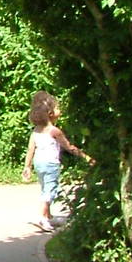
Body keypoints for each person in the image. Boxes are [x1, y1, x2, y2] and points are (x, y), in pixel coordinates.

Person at [21, 90, 94, 232]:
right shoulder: (54, 131)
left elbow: (30, 149)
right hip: (50, 165)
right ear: (50, 113)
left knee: (44, 188)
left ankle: (48, 216)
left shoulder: (36, 130)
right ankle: (42, 218)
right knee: (50, 191)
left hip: (39, 164)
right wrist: (86, 157)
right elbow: (69, 147)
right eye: (57, 108)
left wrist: (27, 166)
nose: (59, 110)